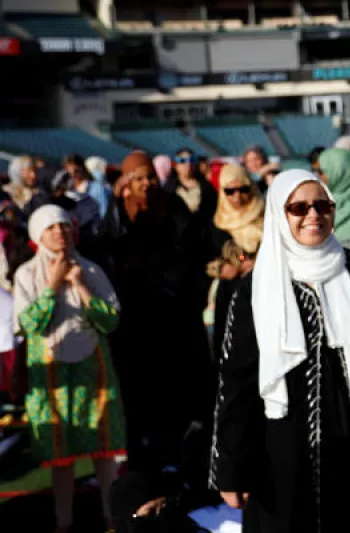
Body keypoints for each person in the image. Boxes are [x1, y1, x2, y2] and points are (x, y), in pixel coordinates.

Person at [211, 170, 350, 533]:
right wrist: (232, 468)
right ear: (279, 215)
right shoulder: (257, 287)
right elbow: (236, 382)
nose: (313, 215)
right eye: (299, 208)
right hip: (283, 449)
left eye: (322, 206)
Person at [15, 205, 124, 533]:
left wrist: (80, 286)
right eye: (51, 228)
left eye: (64, 226)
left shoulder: (89, 269)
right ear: (38, 235)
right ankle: (65, 522)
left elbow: (110, 320)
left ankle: (112, 518)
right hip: (52, 373)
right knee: (61, 455)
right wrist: (52, 286)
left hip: (94, 369)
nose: (59, 233)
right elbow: (30, 324)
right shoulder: (26, 274)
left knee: (105, 452)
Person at [101, 151, 212, 470]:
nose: (146, 184)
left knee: (175, 386)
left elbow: (190, 250)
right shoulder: (119, 211)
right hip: (134, 318)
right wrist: (118, 205)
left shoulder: (172, 206)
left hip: (173, 313)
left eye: (150, 176)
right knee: (138, 388)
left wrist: (166, 276)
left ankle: (178, 451)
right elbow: (110, 248)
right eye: (138, 179)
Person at [209, 163, 265, 356]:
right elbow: (202, 259)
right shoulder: (216, 223)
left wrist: (260, 263)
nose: (237, 197)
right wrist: (223, 268)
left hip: (265, 292)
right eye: (230, 191)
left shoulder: (267, 217)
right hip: (231, 295)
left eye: (243, 189)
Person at [165, 148, 218, 218]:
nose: (188, 164)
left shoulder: (206, 187)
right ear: (175, 165)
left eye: (192, 160)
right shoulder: (168, 188)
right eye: (182, 161)